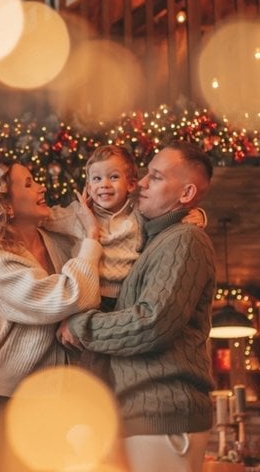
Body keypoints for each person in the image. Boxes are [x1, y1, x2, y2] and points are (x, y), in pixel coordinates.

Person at [58, 140, 216, 472]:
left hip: (163, 416)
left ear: (185, 194)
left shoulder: (184, 240)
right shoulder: (156, 240)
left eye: (155, 177)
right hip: (142, 415)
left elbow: (152, 322)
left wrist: (79, 327)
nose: (141, 182)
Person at [0, 161, 102, 471]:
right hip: (15, 400)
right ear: (6, 204)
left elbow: (115, 230)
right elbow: (72, 295)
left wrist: (191, 215)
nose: (41, 187)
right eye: (28, 184)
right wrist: (90, 241)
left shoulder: (57, 241)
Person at [45, 144, 207, 313]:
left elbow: (168, 220)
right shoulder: (77, 214)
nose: (104, 184)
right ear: (88, 186)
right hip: (88, 295)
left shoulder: (139, 212)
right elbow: (44, 217)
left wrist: (199, 215)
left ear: (130, 184)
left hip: (129, 296)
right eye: (96, 179)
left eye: (113, 177)